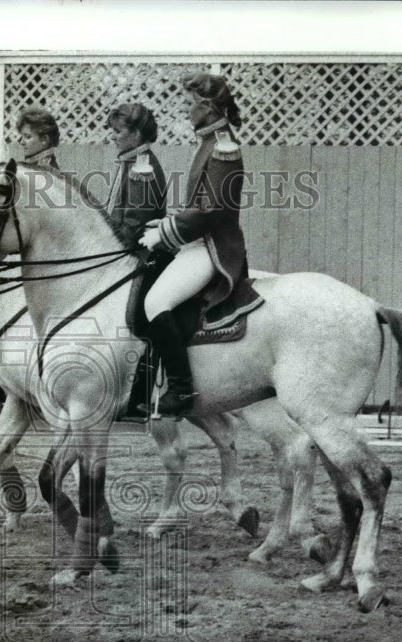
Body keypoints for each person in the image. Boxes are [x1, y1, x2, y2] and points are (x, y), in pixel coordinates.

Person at [136, 72, 262, 419]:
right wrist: (165, 223)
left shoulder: (224, 147)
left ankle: (181, 389)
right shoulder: (209, 141)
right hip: (197, 241)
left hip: (213, 247)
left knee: (156, 301)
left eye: (190, 105)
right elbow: (199, 203)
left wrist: (165, 233)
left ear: (207, 107)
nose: (186, 111)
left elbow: (212, 211)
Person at [105, 102, 167, 247]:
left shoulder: (142, 167)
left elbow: (134, 227)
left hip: (135, 253)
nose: (112, 137)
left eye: (118, 131)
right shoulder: (132, 159)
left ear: (136, 134)